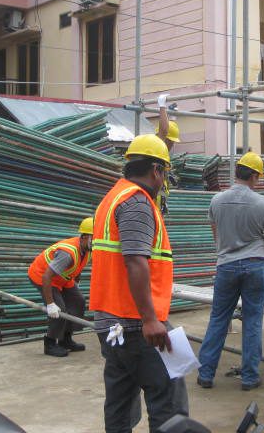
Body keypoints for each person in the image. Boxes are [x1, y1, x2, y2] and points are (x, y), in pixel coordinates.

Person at [90, 134, 186, 433]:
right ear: (156, 170)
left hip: (111, 322)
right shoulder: (137, 202)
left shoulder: (112, 197)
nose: (165, 180)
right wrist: (150, 320)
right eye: (165, 172)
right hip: (136, 324)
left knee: (120, 402)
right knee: (168, 397)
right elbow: (135, 260)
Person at [197, 152, 264, 391]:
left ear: (236, 173)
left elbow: (216, 236)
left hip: (226, 265)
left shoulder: (217, 201)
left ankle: (205, 374)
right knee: (252, 321)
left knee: (218, 319)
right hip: (254, 263)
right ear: (253, 175)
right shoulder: (263, 203)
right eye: (257, 177)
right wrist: (263, 255)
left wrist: (227, 251)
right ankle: (250, 378)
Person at [28, 217, 92, 357]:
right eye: (94, 238)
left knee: (78, 301)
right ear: (84, 236)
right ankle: (50, 343)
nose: (96, 242)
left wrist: (76, 286)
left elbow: (78, 268)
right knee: (59, 309)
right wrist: (50, 304)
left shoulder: (87, 250)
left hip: (62, 278)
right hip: (41, 276)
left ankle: (65, 339)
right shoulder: (67, 253)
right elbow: (46, 277)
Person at [154, 93, 180, 214]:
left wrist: (172, 115)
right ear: (167, 140)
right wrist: (162, 105)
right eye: (172, 142)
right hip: (153, 204)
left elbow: (168, 131)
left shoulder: (162, 153)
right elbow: (164, 131)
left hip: (159, 203)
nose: (172, 145)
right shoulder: (156, 148)